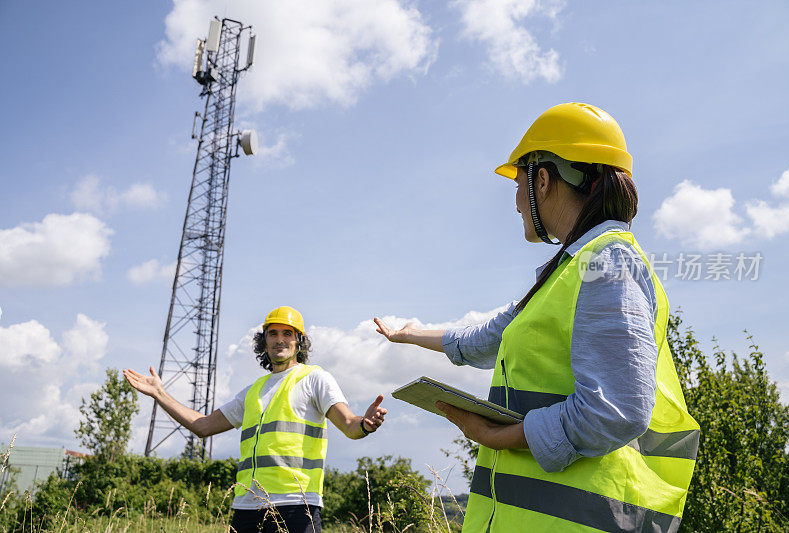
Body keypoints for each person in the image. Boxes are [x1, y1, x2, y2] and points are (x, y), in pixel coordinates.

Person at [375, 103, 699, 532]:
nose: (514, 204)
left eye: (517, 184)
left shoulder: (606, 262)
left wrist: (498, 436)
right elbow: (485, 338)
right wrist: (412, 334)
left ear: (542, 180)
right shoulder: (568, 270)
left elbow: (617, 411)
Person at [124, 305, 387, 533]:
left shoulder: (315, 379)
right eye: (273, 333)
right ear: (264, 342)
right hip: (247, 507)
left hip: (297, 505)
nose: (279, 339)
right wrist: (160, 394)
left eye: (288, 333)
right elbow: (202, 426)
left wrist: (366, 424)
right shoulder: (252, 392)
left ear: (299, 341)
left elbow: (349, 425)